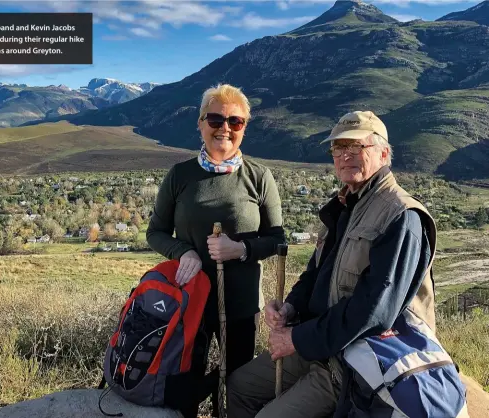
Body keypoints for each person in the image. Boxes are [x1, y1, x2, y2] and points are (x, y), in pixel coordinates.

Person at [227, 110, 438, 417]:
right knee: (239, 386)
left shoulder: (400, 216)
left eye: (356, 147)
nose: (345, 156)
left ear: (383, 153)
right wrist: (290, 308)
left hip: (357, 358)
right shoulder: (345, 206)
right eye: (338, 148)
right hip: (318, 341)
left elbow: (374, 312)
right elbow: (316, 274)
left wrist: (296, 339)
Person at [146, 83, 286, 417]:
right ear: (200, 124)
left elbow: (278, 239)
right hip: (188, 302)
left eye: (235, 122)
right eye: (215, 119)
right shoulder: (180, 176)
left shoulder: (259, 177)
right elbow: (155, 232)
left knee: (238, 386)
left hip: (239, 307)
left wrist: (240, 250)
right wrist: (185, 252)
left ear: (244, 129)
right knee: (185, 380)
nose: (224, 128)